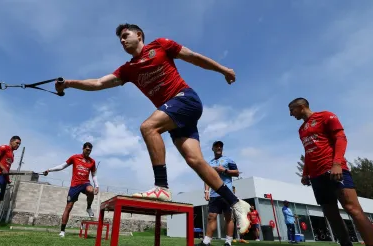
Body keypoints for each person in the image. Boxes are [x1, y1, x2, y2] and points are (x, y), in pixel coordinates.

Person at [54, 23, 251, 234]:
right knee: (195, 161)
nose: (122, 40)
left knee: (148, 127)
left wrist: (223, 70)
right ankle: (237, 203)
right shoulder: (128, 69)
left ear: (139, 35)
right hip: (175, 114)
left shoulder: (161, 45)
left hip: (185, 99)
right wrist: (68, 83)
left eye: (125, 35)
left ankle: (161, 187)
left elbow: (193, 57)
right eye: (119, 39)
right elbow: (99, 82)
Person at [289, 97, 373, 246]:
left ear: (302, 107)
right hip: (316, 176)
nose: (291, 114)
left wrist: (337, 163)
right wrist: (305, 173)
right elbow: (308, 152)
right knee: (331, 215)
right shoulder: (302, 129)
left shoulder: (326, 116)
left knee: (353, 209)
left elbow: (340, 138)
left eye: (292, 110)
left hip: (334, 169)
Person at [42, 142, 99, 238]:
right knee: (68, 207)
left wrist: (96, 185)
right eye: (87, 149)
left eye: (90, 150)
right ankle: (62, 231)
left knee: (91, 190)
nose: (88, 152)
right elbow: (62, 166)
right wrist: (49, 170)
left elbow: (94, 174)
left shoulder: (92, 161)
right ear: (83, 148)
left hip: (85, 183)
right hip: (75, 185)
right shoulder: (74, 157)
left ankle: (88, 208)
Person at [195, 140, 242, 246]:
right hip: (214, 194)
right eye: (216, 146)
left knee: (228, 217)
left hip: (227, 193)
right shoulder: (209, 163)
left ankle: (228, 242)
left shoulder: (228, 160)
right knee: (211, 217)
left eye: (220, 146)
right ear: (213, 149)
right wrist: (206, 191)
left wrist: (224, 170)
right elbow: (207, 178)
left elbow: (237, 173)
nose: (219, 148)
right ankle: (206, 242)